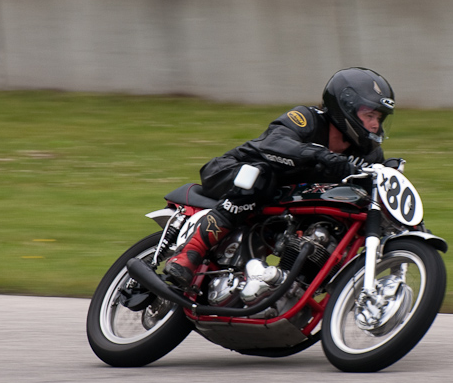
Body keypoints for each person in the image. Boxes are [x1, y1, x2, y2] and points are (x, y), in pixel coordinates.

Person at [164, 67, 396, 288]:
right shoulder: (306, 118)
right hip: (231, 172)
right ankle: (188, 255)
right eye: (369, 115)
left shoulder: (368, 153)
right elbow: (273, 142)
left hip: (279, 199)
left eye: (380, 117)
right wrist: (322, 155)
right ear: (346, 107)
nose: (375, 124)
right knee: (260, 177)